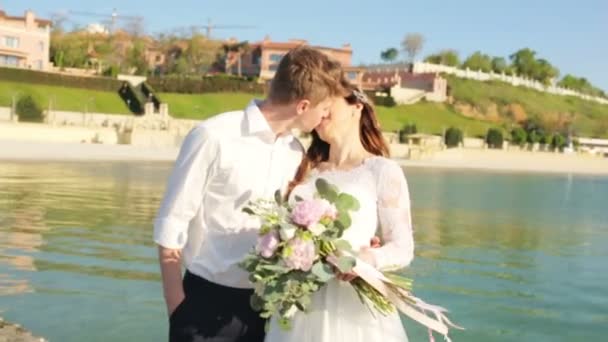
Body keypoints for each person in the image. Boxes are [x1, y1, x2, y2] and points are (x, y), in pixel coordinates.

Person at [153, 46, 346, 342]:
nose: (325, 116)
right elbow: (172, 222)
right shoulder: (213, 136)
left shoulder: (296, 152)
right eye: (324, 109)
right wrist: (177, 307)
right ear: (303, 106)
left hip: (264, 308)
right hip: (202, 302)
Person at [265, 84, 415, 342]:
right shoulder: (302, 167)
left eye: (328, 103)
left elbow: (403, 248)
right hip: (299, 308)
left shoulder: (382, 170)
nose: (321, 111)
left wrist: (366, 259)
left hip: (354, 312)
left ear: (356, 107)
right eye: (317, 104)